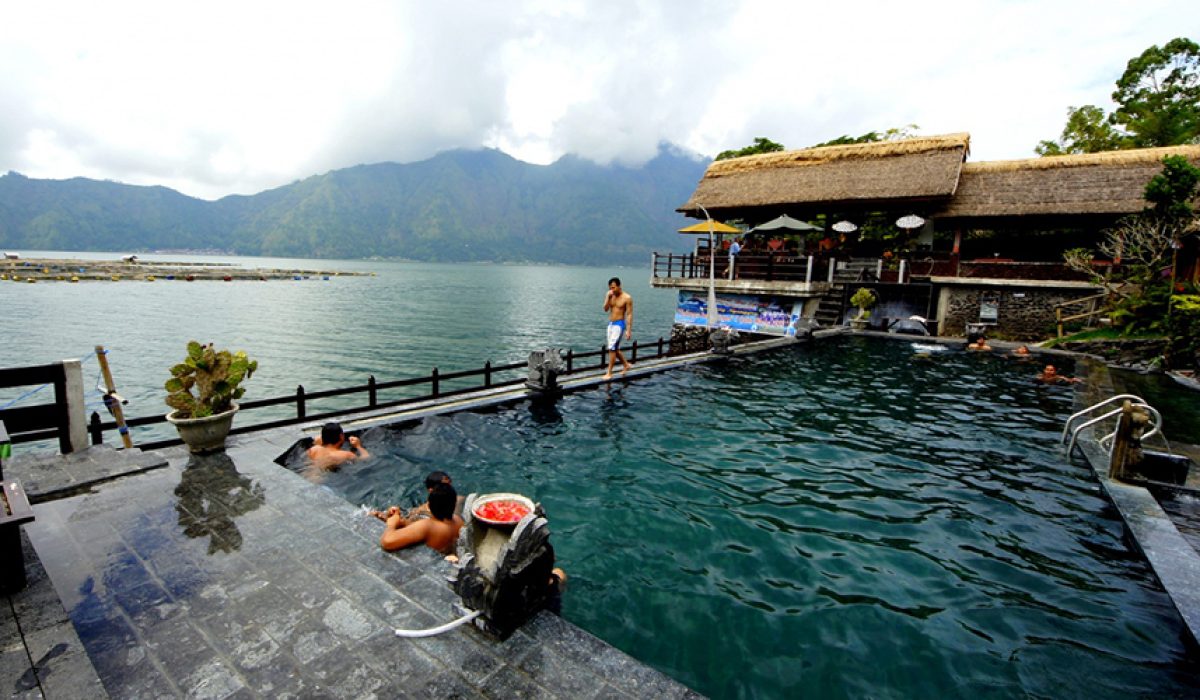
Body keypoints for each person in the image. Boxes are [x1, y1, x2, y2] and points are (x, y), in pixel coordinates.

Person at [377, 482, 464, 554]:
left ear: (429, 505)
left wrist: (391, 524)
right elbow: (420, 530)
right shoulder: (458, 521)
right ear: (453, 504)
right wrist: (401, 522)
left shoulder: (427, 526)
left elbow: (387, 542)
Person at [603, 277, 633, 380]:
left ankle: (609, 373)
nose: (612, 290)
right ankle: (626, 365)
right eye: (610, 288)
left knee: (611, 348)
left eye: (613, 287)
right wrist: (607, 297)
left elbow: (629, 314)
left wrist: (628, 330)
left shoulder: (627, 298)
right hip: (611, 324)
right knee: (614, 348)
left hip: (619, 324)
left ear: (619, 286)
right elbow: (605, 309)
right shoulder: (610, 295)